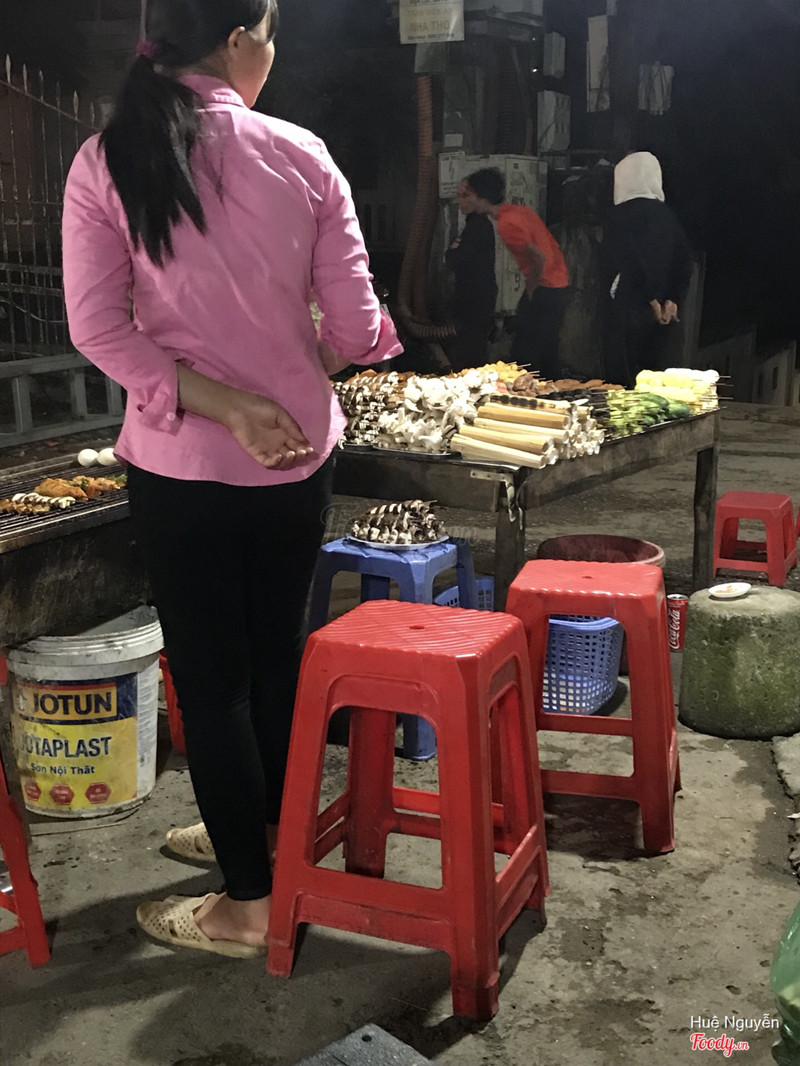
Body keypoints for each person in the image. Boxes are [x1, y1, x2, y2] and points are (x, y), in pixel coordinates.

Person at [61, 0, 400, 958]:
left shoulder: (107, 158)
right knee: (276, 660)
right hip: (296, 459)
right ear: (241, 39)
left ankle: (249, 900)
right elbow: (356, 326)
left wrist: (222, 404)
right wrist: (288, 381)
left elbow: (97, 327)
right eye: (272, 37)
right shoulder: (301, 155)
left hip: (182, 465)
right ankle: (265, 845)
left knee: (213, 684)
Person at [459, 167, 569, 380]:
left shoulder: (507, 223)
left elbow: (538, 257)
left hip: (544, 287)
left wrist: (531, 288)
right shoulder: (520, 211)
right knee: (546, 352)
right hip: (557, 284)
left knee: (525, 355)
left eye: (468, 195)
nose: (463, 201)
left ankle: (528, 396)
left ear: (481, 197)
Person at [603, 151, 693, 387]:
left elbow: (629, 259)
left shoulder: (619, 215)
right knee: (653, 381)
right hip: (664, 312)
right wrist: (673, 299)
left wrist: (648, 298)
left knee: (623, 384)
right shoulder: (667, 216)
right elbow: (684, 260)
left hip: (630, 307)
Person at [444, 179, 498, 371]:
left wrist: (452, 252)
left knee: (469, 357)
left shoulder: (479, 227)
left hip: (474, 303)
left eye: (465, 196)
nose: (459, 201)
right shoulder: (473, 225)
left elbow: (457, 258)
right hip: (472, 301)